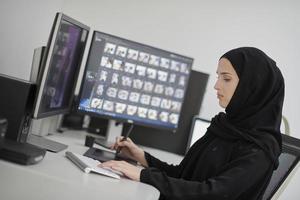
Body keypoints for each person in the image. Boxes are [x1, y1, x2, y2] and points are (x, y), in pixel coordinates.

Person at [100, 47, 285, 200]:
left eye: (226, 78)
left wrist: (142, 175)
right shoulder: (223, 127)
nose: (216, 85)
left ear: (252, 87)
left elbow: (213, 193)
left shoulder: (260, 150)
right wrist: (142, 157)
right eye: (218, 76)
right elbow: (184, 175)